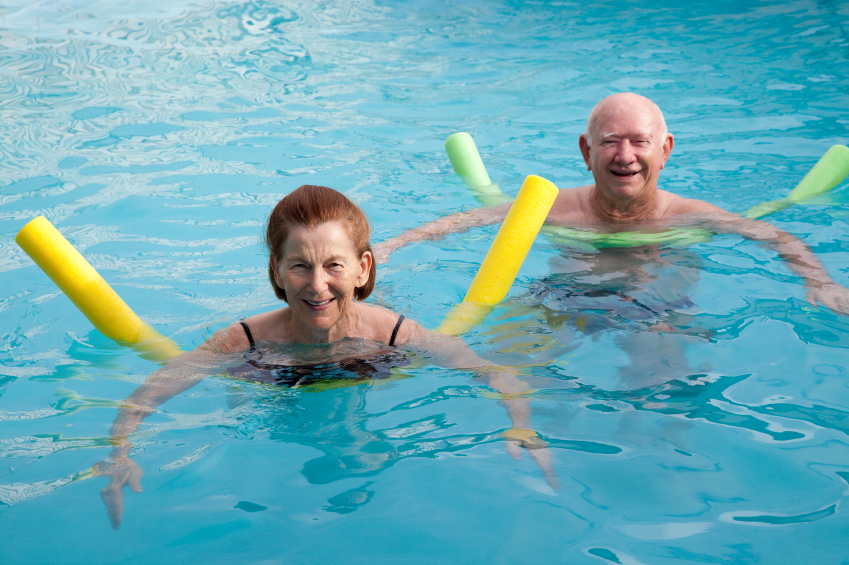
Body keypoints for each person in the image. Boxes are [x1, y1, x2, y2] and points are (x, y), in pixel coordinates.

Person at [97, 185, 558, 529]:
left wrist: (521, 424)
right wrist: (120, 454)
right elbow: (146, 396)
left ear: (363, 269)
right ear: (276, 271)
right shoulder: (241, 343)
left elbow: (496, 373)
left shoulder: (394, 334)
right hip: (271, 395)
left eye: (334, 265)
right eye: (299, 265)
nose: (317, 285)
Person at [374, 92, 849, 385]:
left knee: (664, 390)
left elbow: (775, 237)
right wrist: (389, 249)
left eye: (640, 141)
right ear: (586, 150)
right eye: (609, 141)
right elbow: (465, 221)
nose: (626, 156)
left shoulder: (692, 215)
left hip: (656, 309)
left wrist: (819, 280)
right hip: (562, 299)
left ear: (665, 150)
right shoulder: (557, 208)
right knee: (501, 369)